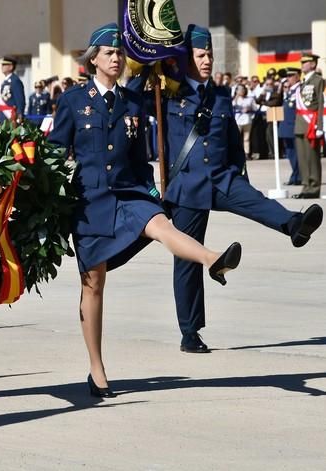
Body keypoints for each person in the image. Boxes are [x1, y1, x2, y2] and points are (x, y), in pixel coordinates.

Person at [48, 23, 242, 398]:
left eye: (120, 53)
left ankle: (214, 258)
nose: (117, 58)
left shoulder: (132, 102)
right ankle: (96, 367)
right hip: (90, 203)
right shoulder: (73, 101)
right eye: (109, 53)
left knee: (161, 225)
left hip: (129, 193)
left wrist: (151, 190)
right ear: (93, 59)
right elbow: (57, 152)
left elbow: (140, 159)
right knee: (94, 285)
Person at [137, 25, 323, 353]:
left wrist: (240, 171)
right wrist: (150, 69)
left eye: (209, 54)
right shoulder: (167, 93)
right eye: (200, 55)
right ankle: (190, 332)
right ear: (186, 59)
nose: (207, 60)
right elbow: (133, 102)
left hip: (222, 176)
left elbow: (234, 139)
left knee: (254, 198)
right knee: (188, 259)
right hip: (187, 186)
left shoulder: (221, 94)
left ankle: (294, 226)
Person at [292, 53, 325, 199]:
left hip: (311, 124)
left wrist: (320, 126)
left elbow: (322, 105)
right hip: (300, 124)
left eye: (305, 62)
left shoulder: (319, 81)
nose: (302, 64)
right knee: (303, 158)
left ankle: (314, 187)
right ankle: (306, 186)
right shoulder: (302, 81)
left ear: (313, 64)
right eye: (302, 62)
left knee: (312, 158)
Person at [278, 67, 301, 185]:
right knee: (290, 153)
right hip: (286, 126)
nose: (288, 78)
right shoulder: (290, 90)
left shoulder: (300, 90)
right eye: (288, 76)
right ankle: (295, 176)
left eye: (291, 76)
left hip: (294, 126)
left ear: (297, 76)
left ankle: (298, 177)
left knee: (297, 154)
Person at [0, 56, 25, 123]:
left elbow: (20, 100)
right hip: (3, 115)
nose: (2, 66)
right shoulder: (5, 81)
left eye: (4, 65)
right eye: (2, 65)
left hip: (11, 115)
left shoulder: (15, 81)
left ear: (11, 67)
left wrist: (20, 113)